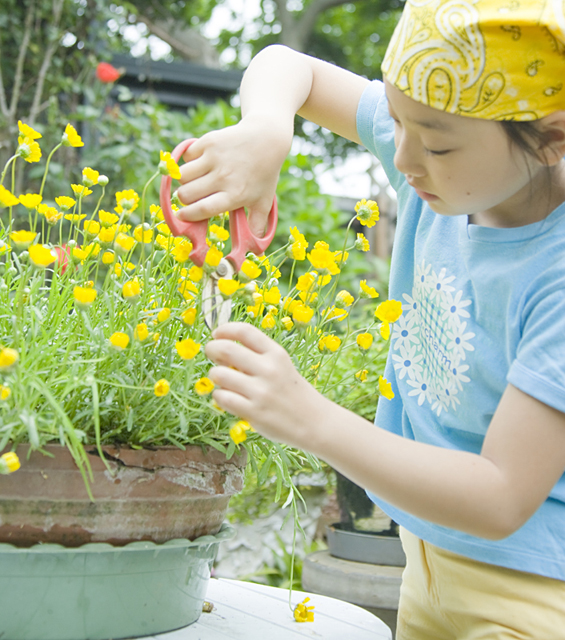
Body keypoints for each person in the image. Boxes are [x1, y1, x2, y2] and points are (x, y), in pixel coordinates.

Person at [176, 1, 565, 637]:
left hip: (531, 595)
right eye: (397, 121)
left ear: (553, 137)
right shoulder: (443, 167)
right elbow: (286, 65)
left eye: (436, 143)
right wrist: (269, 129)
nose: (404, 159)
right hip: (427, 566)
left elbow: (500, 497)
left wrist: (310, 418)